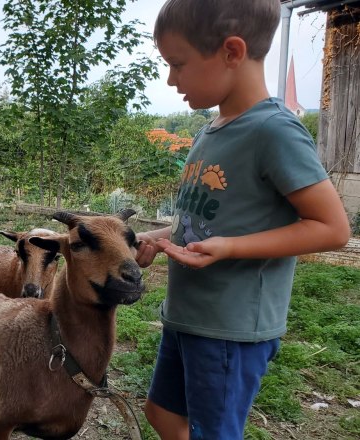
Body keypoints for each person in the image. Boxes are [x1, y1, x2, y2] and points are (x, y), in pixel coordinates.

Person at [135, 1, 351, 438]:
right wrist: (156, 237)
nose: (170, 79)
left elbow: (333, 228)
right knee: (162, 414)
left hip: (229, 329)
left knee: (213, 431)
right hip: (188, 315)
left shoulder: (273, 131)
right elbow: (206, 219)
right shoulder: (211, 129)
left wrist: (231, 248)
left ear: (232, 52)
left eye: (178, 64)